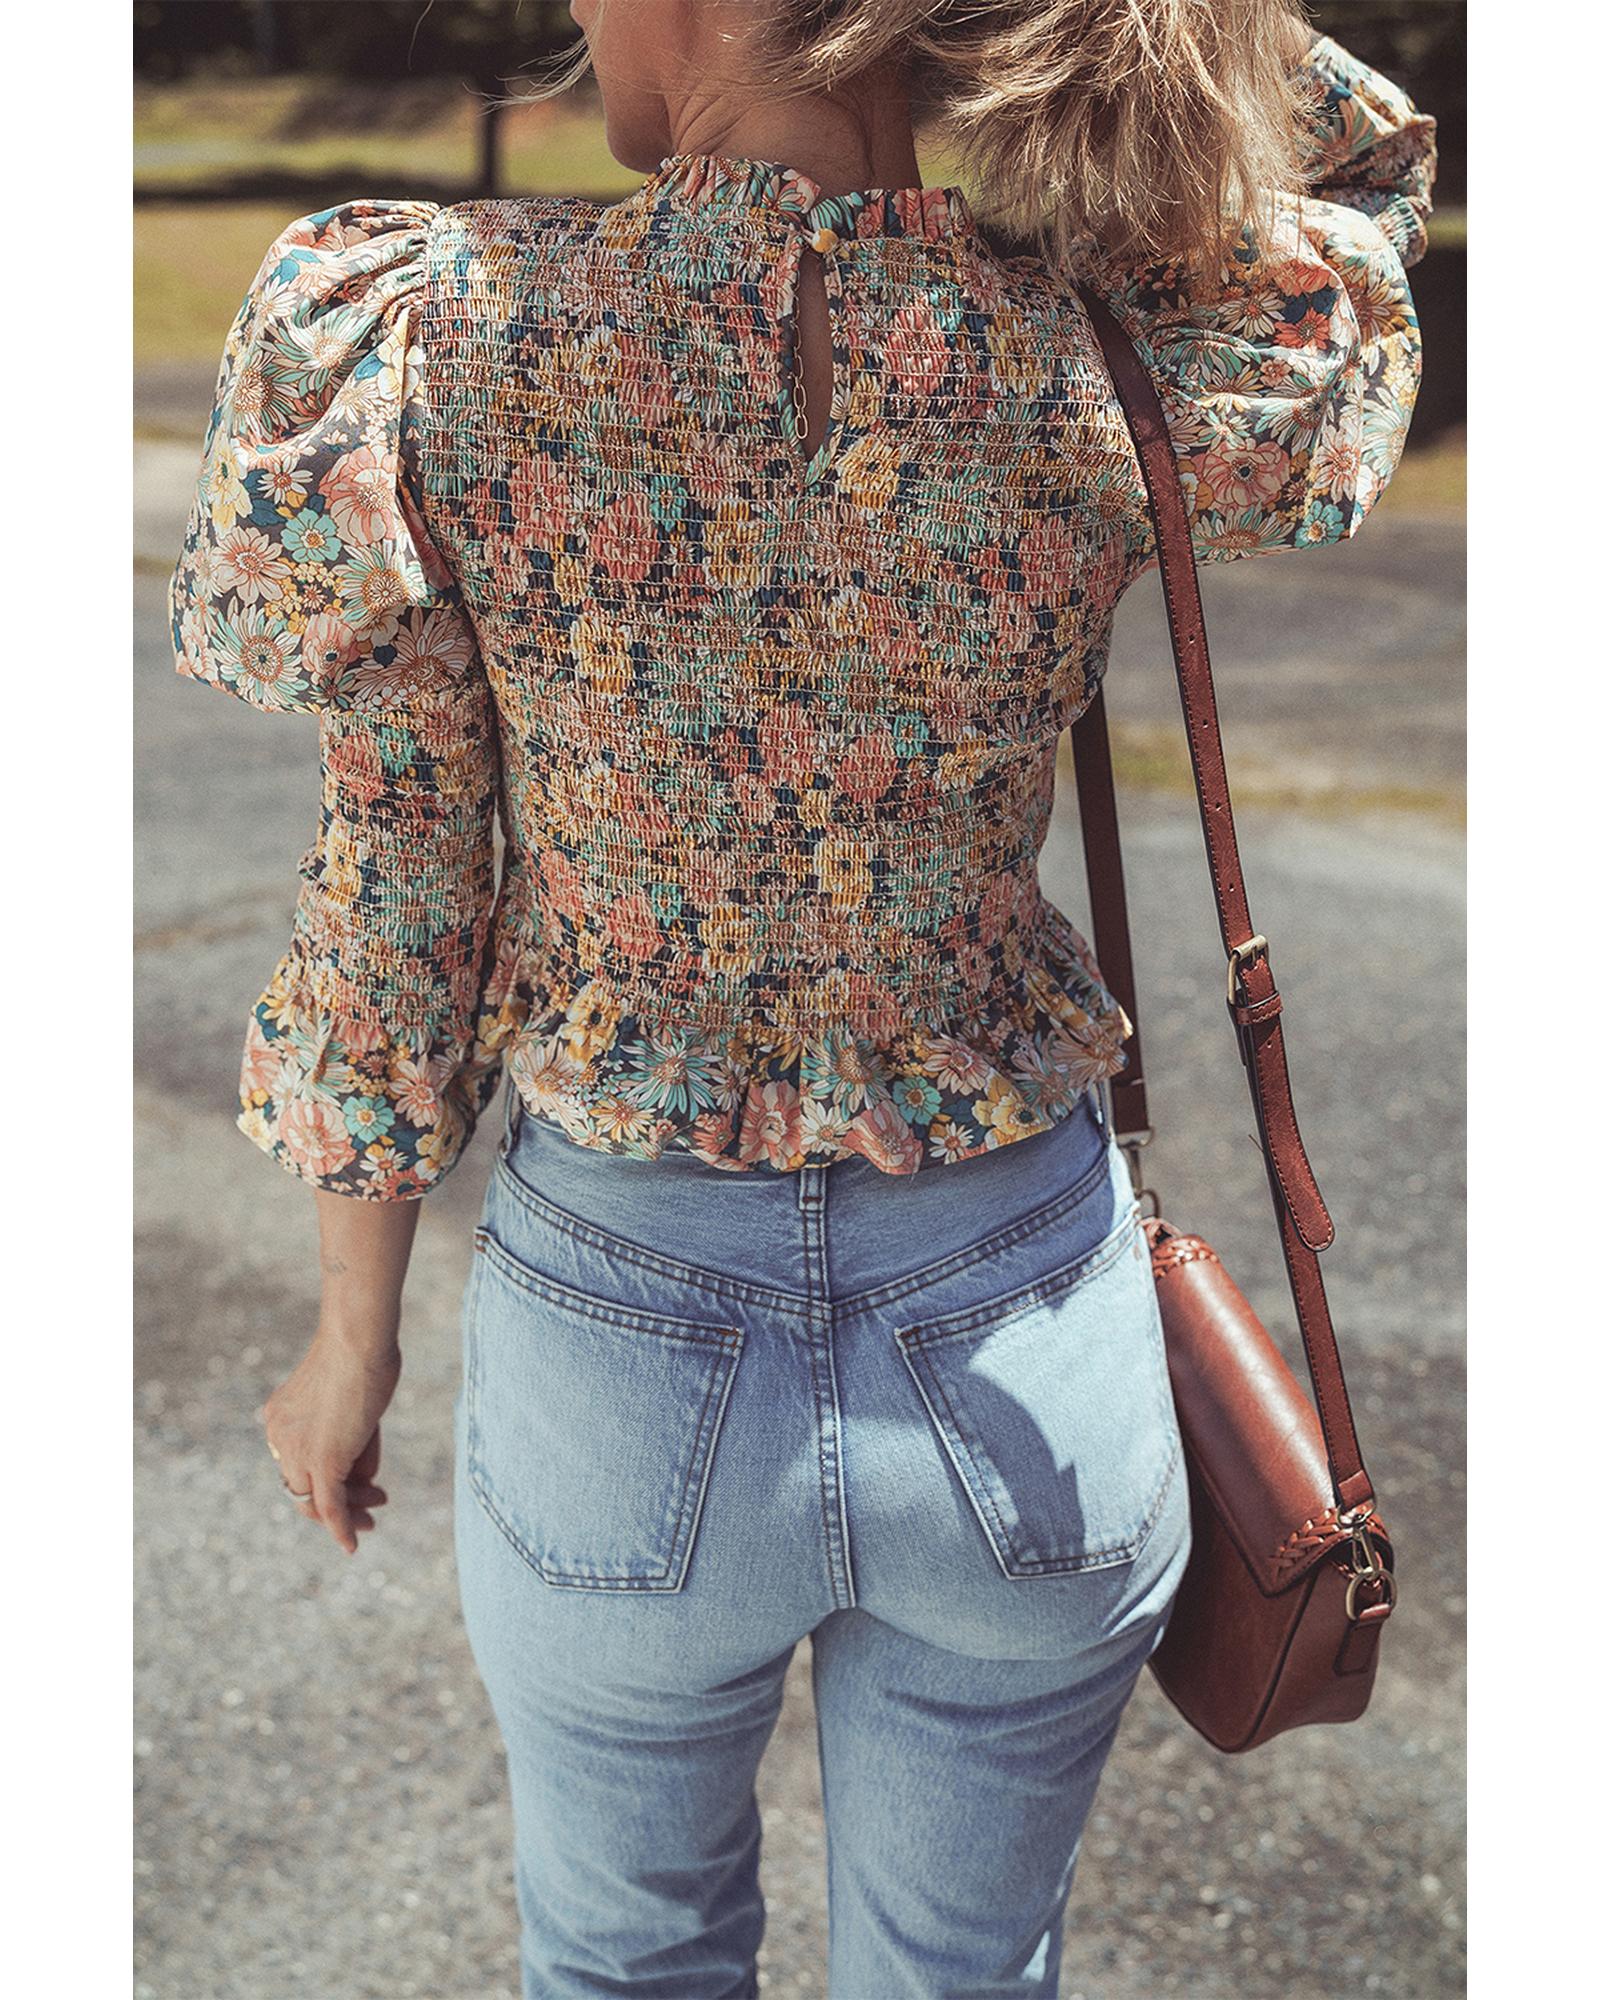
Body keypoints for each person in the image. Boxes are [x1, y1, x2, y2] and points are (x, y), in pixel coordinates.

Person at [167, 1, 1436, 1992]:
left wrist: (351, 1348)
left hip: (621, 1342)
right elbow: (1355, 177)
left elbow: (398, 896)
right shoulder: (1104, 341)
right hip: (1024, 1338)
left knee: (623, 1962)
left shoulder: (428, 334)